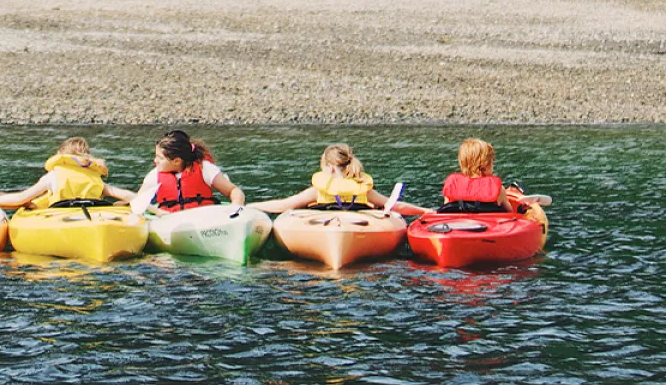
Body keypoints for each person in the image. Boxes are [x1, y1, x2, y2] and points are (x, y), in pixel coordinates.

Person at [249, 143, 429, 215]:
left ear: (331, 167)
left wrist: (251, 206)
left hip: (325, 227)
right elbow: (397, 206)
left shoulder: (318, 190)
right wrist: (428, 211)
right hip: (359, 226)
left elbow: (283, 205)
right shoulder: (363, 189)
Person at [0, 137, 135, 210]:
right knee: (119, 204)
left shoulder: (54, 175)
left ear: (61, 155)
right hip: (94, 215)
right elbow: (126, 195)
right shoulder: (95, 177)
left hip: (60, 217)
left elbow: (20, 198)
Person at [129, 130, 244, 215]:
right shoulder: (154, 176)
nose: (155, 161)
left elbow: (233, 190)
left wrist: (236, 205)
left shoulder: (204, 169)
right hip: (170, 223)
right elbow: (138, 202)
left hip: (205, 219)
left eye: (160, 158)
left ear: (177, 161)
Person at [438, 138, 514, 212]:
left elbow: (446, 210)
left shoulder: (453, 187)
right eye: (492, 162)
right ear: (485, 166)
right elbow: (511, 213)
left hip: (458, 223)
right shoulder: (499, 190)